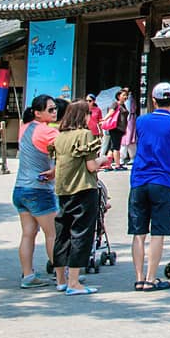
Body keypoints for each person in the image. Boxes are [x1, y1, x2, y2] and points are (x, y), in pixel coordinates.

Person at [128, 81, 170, 292]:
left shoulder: (141, 121)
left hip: (139, 180)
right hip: (162, 181)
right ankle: (151, 278)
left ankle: (138, 277)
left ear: (153, 101)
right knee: (157, 233)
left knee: (138, 233)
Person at [52, 99, 109, 295]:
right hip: (83, 188)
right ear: (83, 115)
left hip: (63, 190)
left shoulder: (60, 136)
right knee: (81, 234)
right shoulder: (84, 135)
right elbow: (91, 166)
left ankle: (61, 279)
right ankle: (74, 282)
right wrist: (104, 159)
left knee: (63, 234)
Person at [13, 94, 60, 289]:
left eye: (55, 108)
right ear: (38, 113)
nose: (55, 112)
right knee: (53, 234)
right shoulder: (46, 132)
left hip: (20, 188)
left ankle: (28, 274)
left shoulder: (25, 128)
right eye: (50, 109)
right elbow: (67, 151)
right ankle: (62, 275)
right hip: (39, 189)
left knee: (28, 234)